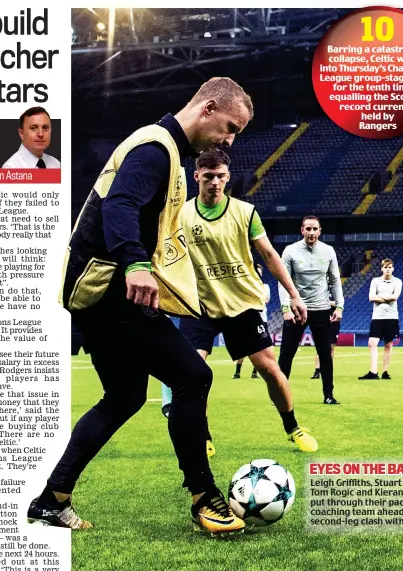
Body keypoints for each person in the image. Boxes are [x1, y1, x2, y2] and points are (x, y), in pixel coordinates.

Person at [27, 77, 255, 536]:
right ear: (208, 108)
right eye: (230, 127)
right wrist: (134, 263)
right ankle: (204, 498)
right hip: (112, 291)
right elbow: (121, 205)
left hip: (96, 292)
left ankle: (52, 499)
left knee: (125, 396)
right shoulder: (155, 148)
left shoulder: (164, 148)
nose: (230, 140)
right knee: (193, 376)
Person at [172, 149, 317, 453]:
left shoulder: (244, 212)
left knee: (269, 369)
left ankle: (293, 427)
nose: (214, 182)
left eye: (220, 176)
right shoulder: (181, 215)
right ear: (196, 176)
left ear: (228, 177)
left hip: (242, 304)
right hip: (200, 305)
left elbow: (268, 255)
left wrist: (294, 295)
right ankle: (203, 436)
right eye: (208, 176)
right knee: (193, 372)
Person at [278, 216, 344, 405]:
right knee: (287, 354)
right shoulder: (290, 251)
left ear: (320, 231)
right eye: (308, 229)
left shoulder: (328, 251)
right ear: (302, 230)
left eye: (315, 229)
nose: (312, 233)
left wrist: (339, 306)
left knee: (325, 353)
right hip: (297, 310)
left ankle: (329, 395)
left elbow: (335, 281)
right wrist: (286, 309)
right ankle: (280, 395)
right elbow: (283, 282)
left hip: (322, 309)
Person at [358, 258, 402, 380]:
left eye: (389, 267)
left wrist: (380, 297)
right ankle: (373, 372)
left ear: (393, 269)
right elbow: (371, 298)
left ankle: (385, 372)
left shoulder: (397, 282)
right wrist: (387, 297)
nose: (387, 269)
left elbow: (395, 296)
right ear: (382, 268)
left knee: (388, 345)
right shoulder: (375, 281)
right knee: (372, 343)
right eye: (385, 267)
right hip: (377, 317)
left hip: (391, 317)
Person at [233, 263, 271, 379]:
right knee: (243, 347)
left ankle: (255, 373)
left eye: (260, 272)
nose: (258, 274)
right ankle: (237, 372)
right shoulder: (246, 285)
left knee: (260, 348)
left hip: (261, 319)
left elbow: (265, 300)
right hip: (246, 319)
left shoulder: (265, 287)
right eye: (256, 272)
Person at [310, 299, 339, 378]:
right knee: (320, 346)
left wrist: (327, 302)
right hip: (322, 319)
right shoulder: (321, 289)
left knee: (332, 347)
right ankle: (317, 370)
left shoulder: (336, 291)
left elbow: (339, 304)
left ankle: (329, 370)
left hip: (334, 321)